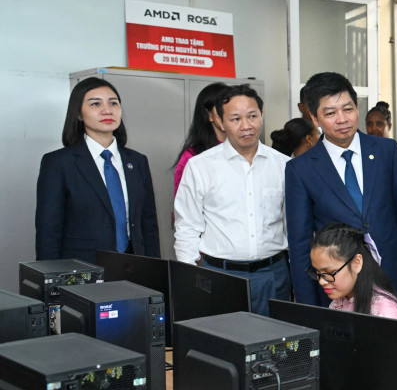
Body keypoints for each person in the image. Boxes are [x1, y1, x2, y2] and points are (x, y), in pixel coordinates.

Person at [285, 72, 397, 314]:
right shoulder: (301, 169)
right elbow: (300, 243)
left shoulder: (386, 150)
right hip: (339, 290)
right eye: (330, 113)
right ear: (314, 117)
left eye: (347, 109)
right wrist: (308, 305)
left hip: (394, 276)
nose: (342, 119)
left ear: (357, 107)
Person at [174, 84, 291, 317]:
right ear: (220, 121)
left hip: (273, 274)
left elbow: (293, 225)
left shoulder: (284, 165)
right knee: (223, 346)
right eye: (235, 118)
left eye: (252, 116)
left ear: (262, 115)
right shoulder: (200, 166)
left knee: (275, 347)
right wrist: (190, 282)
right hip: (220, 275)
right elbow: (186, 227)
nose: (246, 126)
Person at [35, 77, 160, 263]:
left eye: (113, 103)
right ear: (78, 113)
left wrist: (155, 273)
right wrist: (50, 280)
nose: (107, 110)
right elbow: (48, 231)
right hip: (82, 269)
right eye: (95, 104)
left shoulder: (137, 161)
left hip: (134, 266)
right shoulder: (59, 163)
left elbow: (148, 223)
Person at [308, 223, 397, 320]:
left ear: (356, 263)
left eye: (329, 272)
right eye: (318, 272)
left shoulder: (386, 312)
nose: (322, 281)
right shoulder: (339, 301)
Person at [173, 82, 228, 196]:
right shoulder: (192, 157)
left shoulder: (243, 149)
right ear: (209, 115)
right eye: (221, 108)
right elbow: (184, 207)